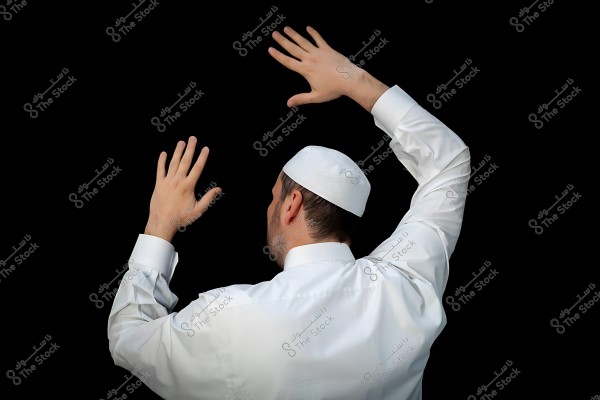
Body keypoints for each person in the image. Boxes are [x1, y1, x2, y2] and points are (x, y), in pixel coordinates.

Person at [107, 25, 471, 400]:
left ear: (292, 205)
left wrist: (160, 223)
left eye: (272, 198)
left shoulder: (229, 317)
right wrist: (353, 79)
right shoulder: (406, 281)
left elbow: (127, 339)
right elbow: (449, 164)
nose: (268, 209)